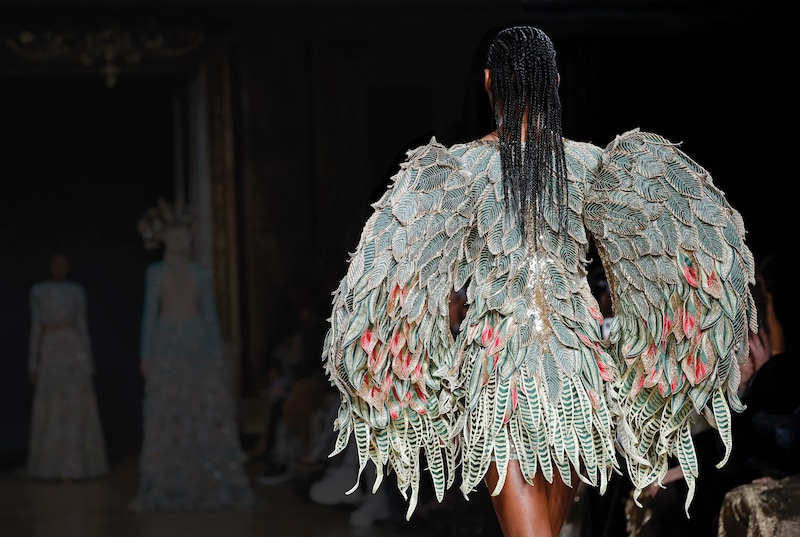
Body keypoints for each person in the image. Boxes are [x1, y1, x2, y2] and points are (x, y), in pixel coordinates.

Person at [321, 24, 755, 537]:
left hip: (499, 376)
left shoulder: (458, 169)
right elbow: (644, 269)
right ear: (555, 82)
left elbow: (404, 279)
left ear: (488, 82)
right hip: (578, 377)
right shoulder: (591, 165)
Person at [133, 198, 254, 511]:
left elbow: (210, 315)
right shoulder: (155, 273)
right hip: (166, 345)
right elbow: (149, 314)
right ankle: (166, 482)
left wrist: (216, 353)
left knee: (202, 412)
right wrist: (145, 353)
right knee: (167, 412)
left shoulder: (201, 273)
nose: (179, 242)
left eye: (184, 236)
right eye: (174, 237)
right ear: (165, 239)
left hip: (196, 344)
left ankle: (206, 480)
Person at [27, 252, 109, 480]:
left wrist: (88, 361)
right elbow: (36, 327)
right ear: (50, 266)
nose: (59, 268)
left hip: (72, 350)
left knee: (74, 403)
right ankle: (50, 466)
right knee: (52, 402)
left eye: (63, 265)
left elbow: (82, 327)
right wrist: (33, 362)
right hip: (51, 348)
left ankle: (76, 465)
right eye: (56, 264)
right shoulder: (38, 291)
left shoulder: (76, 291)